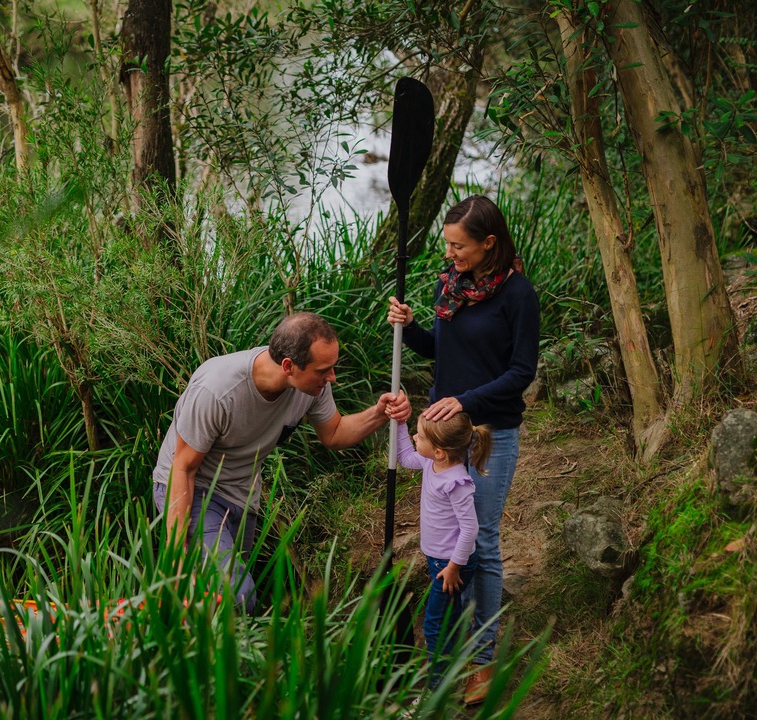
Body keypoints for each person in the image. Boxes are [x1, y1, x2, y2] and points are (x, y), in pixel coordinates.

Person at [386, 194, 540, 704]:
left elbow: (522, 372)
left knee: (483, 541)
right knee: (452, 536)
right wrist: (410, 330)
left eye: (460, 245)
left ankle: (483, 659)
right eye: (447, 244)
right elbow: (442, 349)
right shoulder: (449, 285)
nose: (450, 254)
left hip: (489, 431)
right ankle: (450, 643)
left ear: (489, 243)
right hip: (445, 433)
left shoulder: (518, 295)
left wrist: (464, 401)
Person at [151, 311, 410, 612]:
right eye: (323, 370)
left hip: (243, 496)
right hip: (193, 491)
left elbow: (335, 433)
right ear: (288, 365)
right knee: (235, 595)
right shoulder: (217, 390)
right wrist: (178, 558)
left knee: (219, 602)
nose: (332, 378)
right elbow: (183, 467)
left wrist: (380, 413)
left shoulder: (311, 388)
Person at [396, 413, 491, 691]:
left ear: (439, 451)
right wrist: (401, 422)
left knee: (434, 626)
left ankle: (434, 691)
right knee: (450, 616)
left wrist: (453, 566)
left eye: (420, 437)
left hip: (451, 564)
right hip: (441, 560)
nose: (415, 439)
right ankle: (452, 666)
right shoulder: (431, 462)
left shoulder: (456, 482)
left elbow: (470, 529)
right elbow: (404, 457)